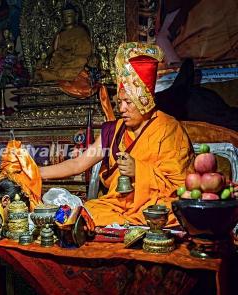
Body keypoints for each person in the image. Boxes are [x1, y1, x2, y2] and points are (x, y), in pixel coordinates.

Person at [40, 42, 195, 227]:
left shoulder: (168, 129)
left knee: (168, 213)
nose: (121, 109)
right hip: (117, 205)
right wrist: (34, 172)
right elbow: (78, 163)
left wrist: (139, 170)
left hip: (155, 205)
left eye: (128, 102)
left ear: (144, 101)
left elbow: (181, 186)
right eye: (119, 102)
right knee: (82, 214)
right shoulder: (114, 130)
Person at [34, 4, 92, 82]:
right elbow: (53, 51)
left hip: (73, 61)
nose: (66, 18)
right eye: (64, 16)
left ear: (75, 16)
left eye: (69, 15)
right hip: (59, 62)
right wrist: (47, 58)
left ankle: (52, 76)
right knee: (41, 67)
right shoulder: (60, 33)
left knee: (81, 61)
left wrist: (66, 54)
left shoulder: (81, 32)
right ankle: (50, 75)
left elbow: (84, 52)